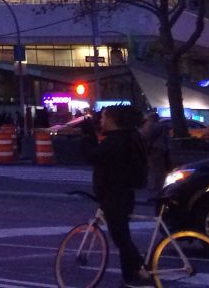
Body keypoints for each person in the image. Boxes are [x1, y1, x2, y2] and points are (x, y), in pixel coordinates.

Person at [82, 105, 149, 288]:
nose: (101, 121)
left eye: (103, 118)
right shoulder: (128, 137)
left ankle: (142, 270)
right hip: (123, 194)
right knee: (122, 237)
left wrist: (88, 135)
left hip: (115, 196)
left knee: (121, 238)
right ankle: (129, 278)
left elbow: (92, 156)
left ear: (112, 121)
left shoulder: (116, 141)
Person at [140, 110, 171, 192]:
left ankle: (156, 186)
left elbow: (146, 136)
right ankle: (161, 184)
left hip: (154, 148)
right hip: (162, 148)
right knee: (161, 168)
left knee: (155, 168)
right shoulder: (162, 126)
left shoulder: (151, 126)